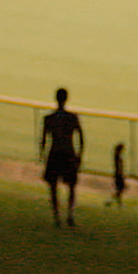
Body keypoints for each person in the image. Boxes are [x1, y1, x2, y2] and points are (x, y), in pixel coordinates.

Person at [38, 87, 84, 228]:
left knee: (53, 187)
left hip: (55, 153)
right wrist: (79, 155)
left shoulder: (49, 118)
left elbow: (44, 140)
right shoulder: (72, 117)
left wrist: (43, 155)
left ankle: (57, 216)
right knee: (71, 187)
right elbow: (81, 138)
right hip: (68, 153)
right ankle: (70, 215)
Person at [109, 142, 128, 208]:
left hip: (118, 174)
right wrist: (121, 174)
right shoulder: (118, 156)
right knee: (120, 189)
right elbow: (119, 166)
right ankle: (115, 202)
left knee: (119, 189)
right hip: (119, 175)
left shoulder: (117, 156)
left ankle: (118, 203)